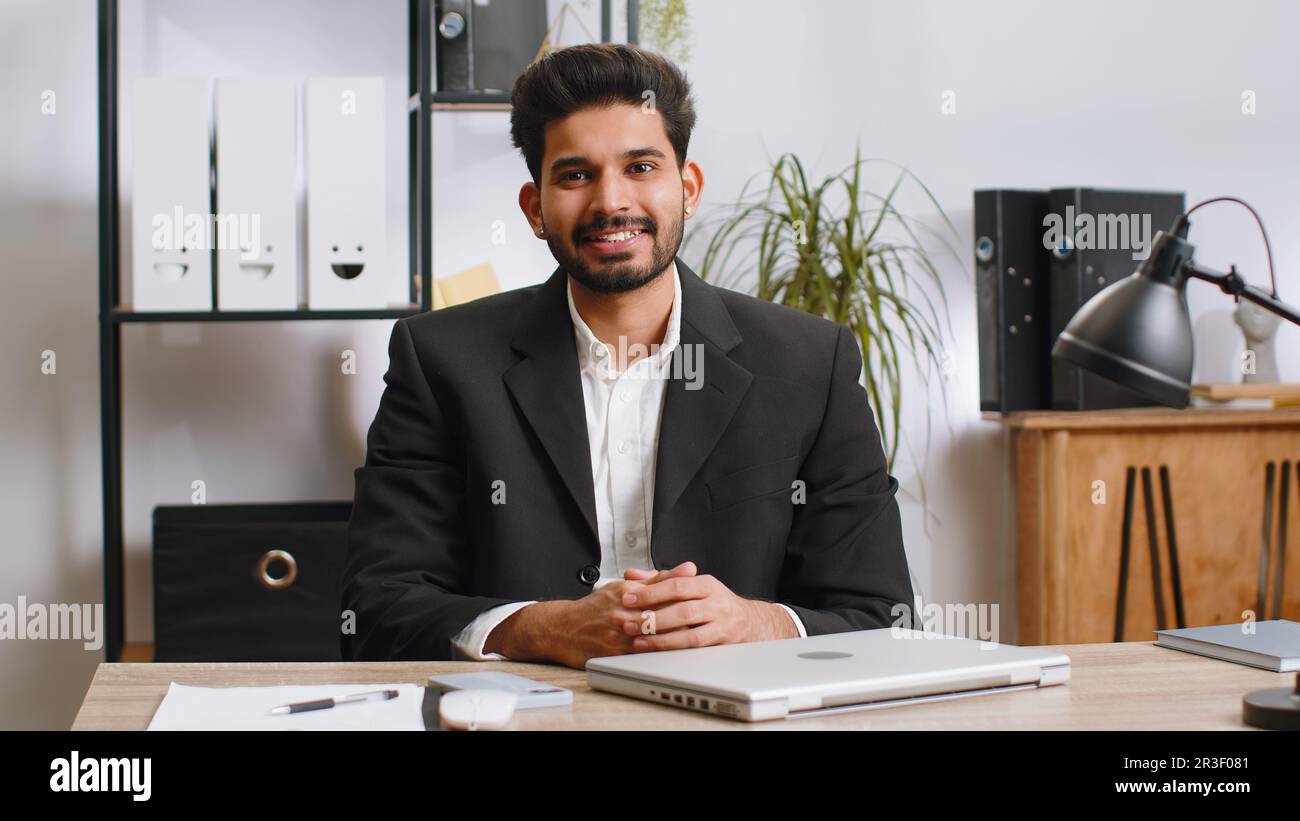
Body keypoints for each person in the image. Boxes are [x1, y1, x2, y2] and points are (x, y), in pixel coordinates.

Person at [341, 43, 914, 668]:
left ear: (687, 189)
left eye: (641, 167)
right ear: (534, 208)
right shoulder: (440, 360)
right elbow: (374, 611)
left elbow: (881, 617)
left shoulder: (809, 362)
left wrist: (753, 622)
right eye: (576, 174)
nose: (611, 202)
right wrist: (538, 628)